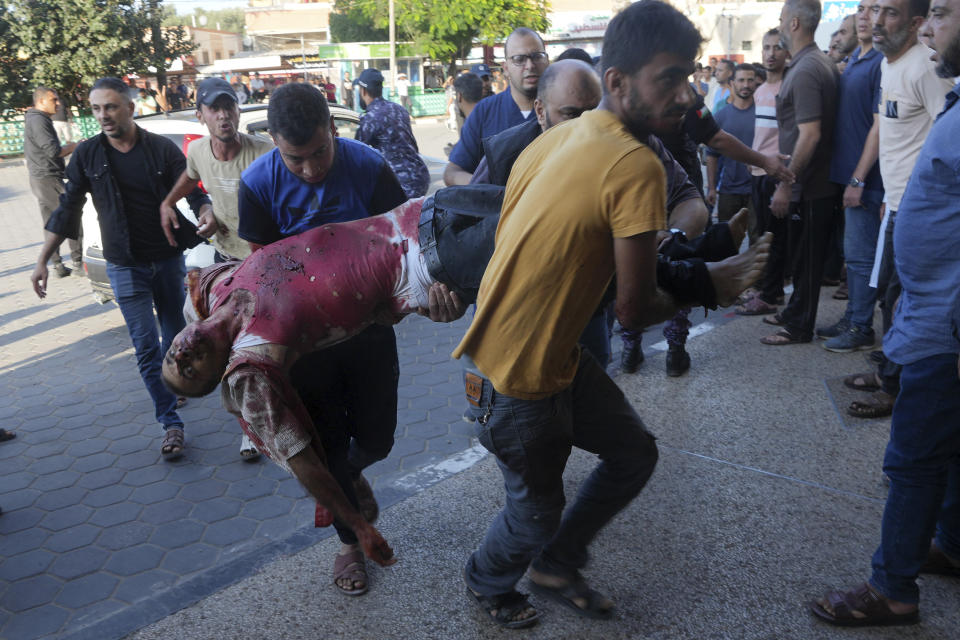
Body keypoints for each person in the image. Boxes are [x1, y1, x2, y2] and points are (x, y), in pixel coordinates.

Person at [451, 1, 766, 628]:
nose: (684, 94)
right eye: (668, 79)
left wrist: (705, 261)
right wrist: (714, 286)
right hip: (513, 380)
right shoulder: (634, 163)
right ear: (617, 83)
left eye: (690, 75)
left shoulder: (557, 138)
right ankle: (487, 580)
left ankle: (557, 564)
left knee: (633, 453)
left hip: (550, 358)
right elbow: (631, 309)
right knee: (534, 513)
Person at [809, 1, 960, 625]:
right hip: (934, 313)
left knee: (913, 456)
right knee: (948, 449)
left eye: (944, 14)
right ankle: (951, 544)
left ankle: (892, 588)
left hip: (947, 324)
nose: (929, 27)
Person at [237, 82, 408, 596]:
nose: (310, 170)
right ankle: (349, 543)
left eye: (319, 154)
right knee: (328, 443)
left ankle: (349, 474)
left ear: (334, 129)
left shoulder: (370, 167)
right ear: (272, 142)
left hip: (371, 329)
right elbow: (261, 278)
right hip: (306, 345)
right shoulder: (256, 184)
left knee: (378, 439)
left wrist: (409, 301)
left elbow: (401, 240)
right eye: (296, 160)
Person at [30, 77, 210, 459]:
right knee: (145, 348)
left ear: (130, 107)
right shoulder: (88, 155)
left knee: (174, 339)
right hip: (124, 266)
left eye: (110, 107)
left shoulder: (160, 150)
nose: (103, 116)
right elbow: (67, 210)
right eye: (96, 109)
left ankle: (171, 385)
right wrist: (43, 259)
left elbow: (193, 191)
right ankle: (171, 424)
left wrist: (207, 212)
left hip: (166, 258)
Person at [841, 0, 953, 418]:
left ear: (916, 23)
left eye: (890, 13)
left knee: (898, 296)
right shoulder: (890, 65)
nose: (875, 21)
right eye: (874, 11)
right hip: (895, 201)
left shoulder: (927, 67)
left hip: (919, 208)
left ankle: (894, 384)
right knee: (890, 295)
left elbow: (946, 136)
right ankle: (892, 370)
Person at [159, 78, 274, 459]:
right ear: (202, 115)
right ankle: (248, 428)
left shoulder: (265, 152)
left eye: (230, 107)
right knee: (226, 350)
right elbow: (191, 178)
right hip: (226, 264)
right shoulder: (199, 153)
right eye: (215, 109)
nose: (224, 115)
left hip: (266, 264)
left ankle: (278, 414)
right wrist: (169, 204)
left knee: (263, 349)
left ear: (239, 111)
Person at [759, 0, 841, 347]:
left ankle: (799, 326)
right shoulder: (812, 63)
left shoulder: (808, 69)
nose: (778, 27)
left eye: (780, 20)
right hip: (813, 182)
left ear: (793, 24)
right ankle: (794, 313)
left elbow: (810, 134)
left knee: (806, 260)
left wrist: (786, 183)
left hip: (811, 185)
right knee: (801, 255)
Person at [814, 1, 885, 353]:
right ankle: (853, 316)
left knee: (861, 257)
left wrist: (858, 179)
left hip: (869, 180)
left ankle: (860, 326)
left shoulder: (881, 63)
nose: (864, 15)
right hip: (849, 176)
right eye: (860, 8)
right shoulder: (857, 59)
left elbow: (879, 125)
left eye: (873, 9)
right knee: (854, 256)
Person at [444, 28, 548, 185]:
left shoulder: (562, 109)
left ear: (547, 61)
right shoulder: (485, 111)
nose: (530, 65)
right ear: (505, 68)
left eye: (537, 57)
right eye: (519, 59)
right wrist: (488, 189)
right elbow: (452, 172)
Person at [737, 29, 792, 316]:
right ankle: (768, 289)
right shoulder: (760, 91)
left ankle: (771, 296)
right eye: (767, 47)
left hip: (777, 174)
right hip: (757, 172)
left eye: (778, 47)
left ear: (787, 52)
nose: (771, 53)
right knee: (762, 236)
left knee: (775, 237)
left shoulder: (789, 87)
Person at [24, 87, 82, 279]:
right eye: (53, 100)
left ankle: (57, 264)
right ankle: (78, 262)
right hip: (47, 177)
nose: (57, 104)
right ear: (41, 102)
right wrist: (75, 146)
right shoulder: (39, 120)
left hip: (41, 177)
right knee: (70, 216)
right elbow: (52, 151)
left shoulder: (36, 119)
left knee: (51, 222)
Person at [354, 68, 431, 199]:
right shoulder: (399, 109)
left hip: (401, 183)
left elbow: (355, 154)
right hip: (420, 175)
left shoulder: (370, 118)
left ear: (363, 91)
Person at [707, 64, 759, 230]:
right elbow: (711, 155)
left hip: (757, 189)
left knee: (758, 242)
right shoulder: (720, 116)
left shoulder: (763, 114)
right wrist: (712, 188)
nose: (746, 85)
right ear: (732, 83)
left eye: (750, 80)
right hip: (728, 190)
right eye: (741, 80)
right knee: (725, 243)